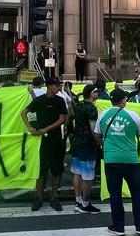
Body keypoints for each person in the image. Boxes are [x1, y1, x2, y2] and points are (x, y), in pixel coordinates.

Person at [94, 87, 140, 236]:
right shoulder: (132, 115)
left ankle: (118, 226)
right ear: (123, 101)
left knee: (115, 194)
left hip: (111, 160)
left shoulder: (103, 114)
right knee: (137, 193)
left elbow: (97, 133)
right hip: (131, 160)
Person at [21, 76, 69, 212]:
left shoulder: (60, 100)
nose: (58, 87)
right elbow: (24, 112)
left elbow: (62, 118)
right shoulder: (39, 100)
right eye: (56, 85)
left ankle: (54, 197)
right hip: (41, 140)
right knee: (41, 169)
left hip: (56, 139)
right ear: (49, 86)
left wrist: (46, 129)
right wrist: (29, 127)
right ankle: (38, 197)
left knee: (56, 169)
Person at [70, 84, 101, 213]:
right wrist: (99, 140)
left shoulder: (78, 105)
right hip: (87, 143)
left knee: (77, 173)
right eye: (96, 92)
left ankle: (78, 201)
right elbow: (93, 129)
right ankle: (85, 204)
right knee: (88, 176)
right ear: (91, 94)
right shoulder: (91, 108)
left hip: (76, 141)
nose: (97, 94)